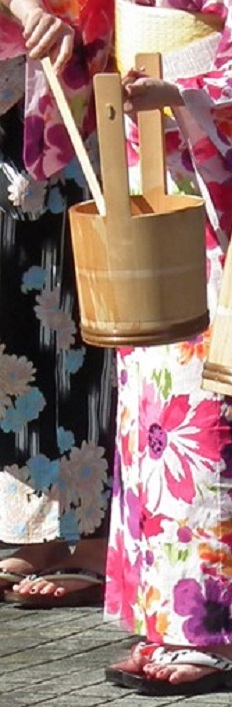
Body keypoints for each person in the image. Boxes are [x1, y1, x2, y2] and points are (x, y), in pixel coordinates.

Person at [59, 0, 232, 695]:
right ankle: (163, 620)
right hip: (150, 160)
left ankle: (220, 637)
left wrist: (180, 93)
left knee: (213, 410)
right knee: (151, 417)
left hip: (212, 176)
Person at [0, 0, 114, 608]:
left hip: (84, 69)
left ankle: (95, 536)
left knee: (83, 308)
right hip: (13, 66)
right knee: (16, 320)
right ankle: (34, 527)